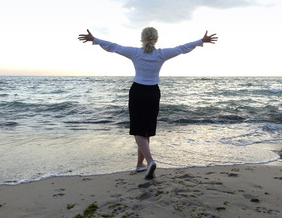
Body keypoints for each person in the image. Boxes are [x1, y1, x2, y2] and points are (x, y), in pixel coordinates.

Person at [78, 27, 218, 179]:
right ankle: (140, 165)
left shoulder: (135, 53)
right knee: (146, 130)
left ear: (142, 38)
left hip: (138, 92)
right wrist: (201, 41)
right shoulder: (161, 54)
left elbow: (114, 47)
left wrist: (94, 39)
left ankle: (150, 161)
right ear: (156, 38)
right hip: (153, 93)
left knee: (138, 130)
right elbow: (181, 49)